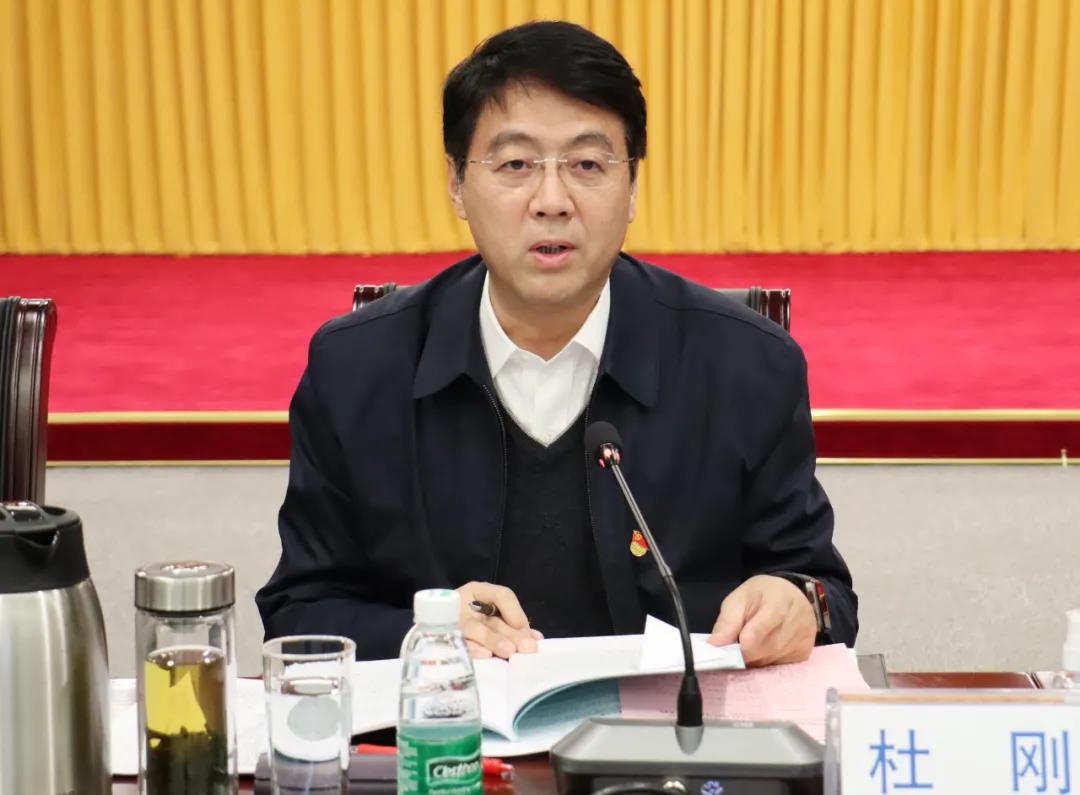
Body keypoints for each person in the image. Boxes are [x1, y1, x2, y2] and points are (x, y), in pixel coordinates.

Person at [256, 20, 857, 666]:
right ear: (457, 184)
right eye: (515, 165)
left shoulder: (747, 365)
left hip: (674, 724)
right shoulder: (356, 370)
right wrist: (421, 632)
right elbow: (299, 610)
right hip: (450, 725)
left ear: (633, 187)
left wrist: (796, 602)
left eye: (587, 165)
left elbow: (824, 593)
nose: (551, 201)